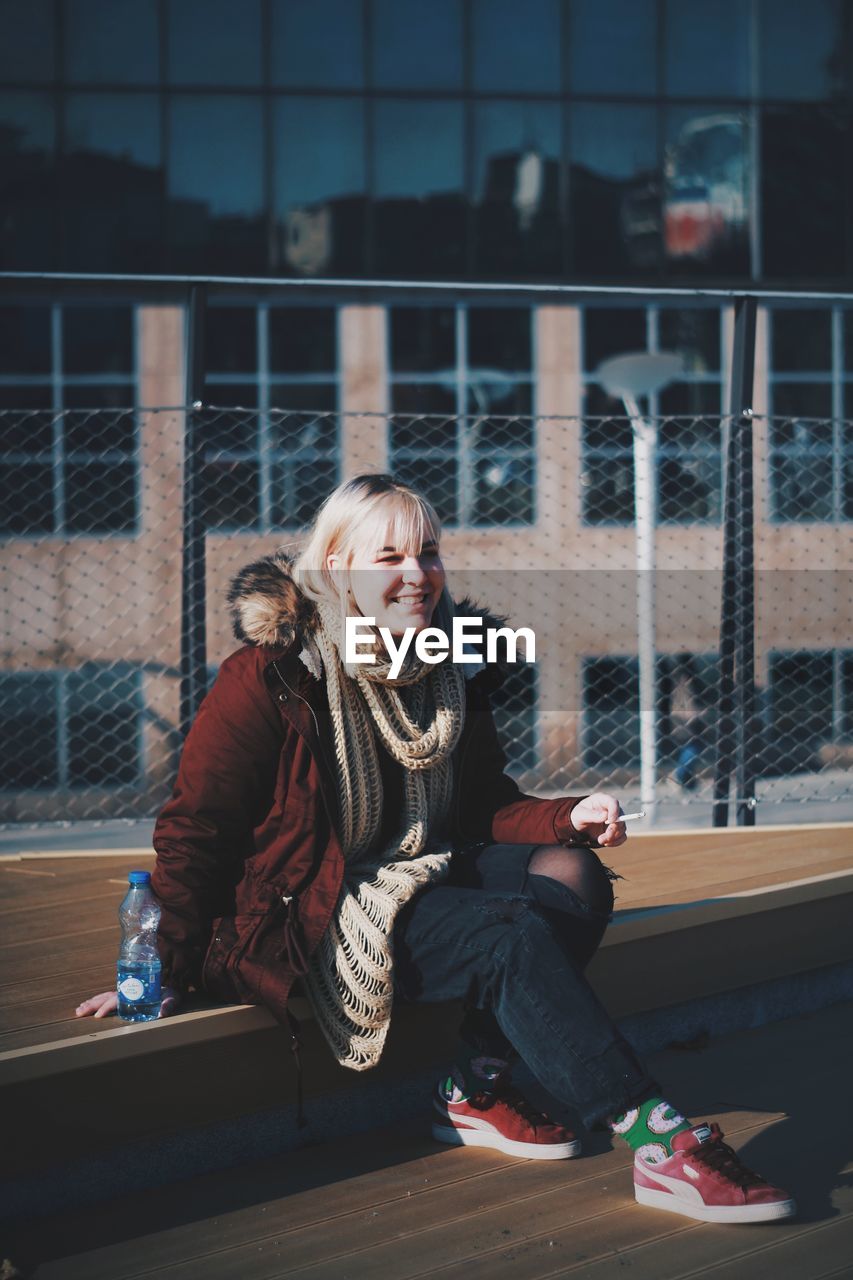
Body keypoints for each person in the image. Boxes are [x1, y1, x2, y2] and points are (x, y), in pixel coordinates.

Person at [76, 473, 794, 1225]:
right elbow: (198, 827)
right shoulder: (269, 677)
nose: (415, 575)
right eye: (387, 557)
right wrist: (162, 966)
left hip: (416, 868)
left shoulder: (448, 665)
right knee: (506, 935)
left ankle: (473, 1089)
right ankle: (660, 1143)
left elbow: (482, 803)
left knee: (573, 874)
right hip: (309, 907)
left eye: (427, 552)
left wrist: (567, 816)